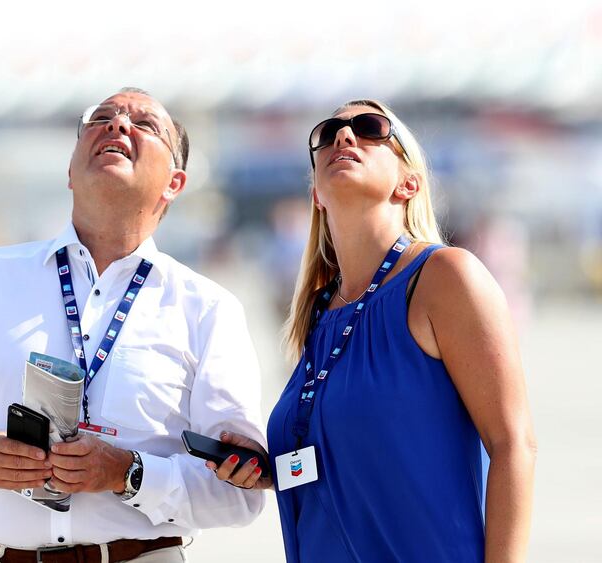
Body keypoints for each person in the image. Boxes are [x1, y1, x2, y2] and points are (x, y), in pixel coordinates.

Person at [0, 87, 266, 562]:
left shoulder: (207, 308)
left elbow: (239, 494)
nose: (117, 125)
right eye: (100, 118)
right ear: (70, 170)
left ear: (175, 182)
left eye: (145, 124)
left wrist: (129, 474)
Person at [208, 99, 537, 562]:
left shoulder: (444, 277)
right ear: (316, 194)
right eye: (328, 133)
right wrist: (269, 468)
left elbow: (514, 445)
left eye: (369, 128)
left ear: (409, 182)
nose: (344, 136)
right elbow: (355, 462)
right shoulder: (319, 314)